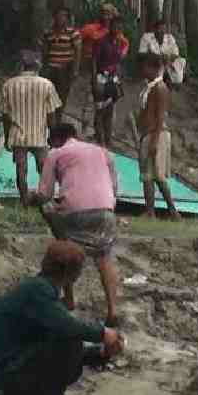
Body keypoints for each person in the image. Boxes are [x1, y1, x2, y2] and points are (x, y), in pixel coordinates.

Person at [0, 240, 123, 395]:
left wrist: (101, 353)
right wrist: (104, 334)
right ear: (73, 274)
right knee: (69, 342)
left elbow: (49, 347)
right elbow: (68, 329)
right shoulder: (38, 292)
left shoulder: (37, 290)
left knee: (67, 345)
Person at [31, 123, 121, 325]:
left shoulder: (55, 153)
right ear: (76, 135)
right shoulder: (103, 152)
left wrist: (32, 199)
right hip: (105, 210)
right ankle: (113, 310)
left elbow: (44, 194)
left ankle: (69, 298)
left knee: (66, 248)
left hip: (75, 212)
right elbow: (115, 188)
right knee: (104, 257)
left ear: (55, 140)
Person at [0, 50, 62, 205]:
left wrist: (7, 137)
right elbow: (51, 114)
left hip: (18, 135)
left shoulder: (8, 85)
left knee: (21, 169)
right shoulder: (46, 85)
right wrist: (53, 136)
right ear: (37, 66)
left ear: (20, 66)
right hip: (39, 135)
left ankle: (24, 199)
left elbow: (5, 116)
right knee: (44, 169)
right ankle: (46, 199)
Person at [136, 53, 181, 221]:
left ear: (153, 68)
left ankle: (173, 211)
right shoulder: (148, 87)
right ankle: (150, 211)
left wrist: (154, 141)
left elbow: (160, 116)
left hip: (157, 134)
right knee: (147, 175)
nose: (142, 70)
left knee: (158, 176)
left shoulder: (160, 88)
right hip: (148, 133)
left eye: (145, 66)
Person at [39, 7, 82, 126]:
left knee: (62, 94)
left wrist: (75, 69)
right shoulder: (49, 33)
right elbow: (45, 51)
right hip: (51, 67)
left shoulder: (73, 33)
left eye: (63, 16)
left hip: (65, 68)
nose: (60, 18)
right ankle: (48, 119)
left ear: (67, 18)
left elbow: (78, 51)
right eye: (58, 15)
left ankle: (58, 118)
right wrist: (44, 66)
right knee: (48, 94)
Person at [79, 4, 119, 122]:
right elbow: (76, 40)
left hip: (109, 72)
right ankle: (86, 130)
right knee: (90, 100)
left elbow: (122, 49)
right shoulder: (90, 29)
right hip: (90, 68)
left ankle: (104, 130)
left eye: (109, 13)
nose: (105, 16)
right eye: (103, 12)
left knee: (109, 102)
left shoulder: (116, 33)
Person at [93, 17, 129, 147]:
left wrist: (119, 80)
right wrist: (94, 81)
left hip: (113, 78)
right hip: (101, 78)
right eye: (115, 26)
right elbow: (94, 62)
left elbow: (118, 63)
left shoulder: (119, 43)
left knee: (110, 109)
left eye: (120, 27)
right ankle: (99, 138)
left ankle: (107, 139)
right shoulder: (101, 42)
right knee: (99, 109)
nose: (117, 29)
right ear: (110, 26)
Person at [139, 18, 185, 87]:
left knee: (181, 61)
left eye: (163, 29)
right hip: (153, 64)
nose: (161, 31)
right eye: (159, 29)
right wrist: (156, 57)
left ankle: (173, 81)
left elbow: (176, 53)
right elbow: (141, 54)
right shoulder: (146, 37)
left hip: (168, 64)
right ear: (154, 30)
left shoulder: (170, 38)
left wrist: (168, 58)